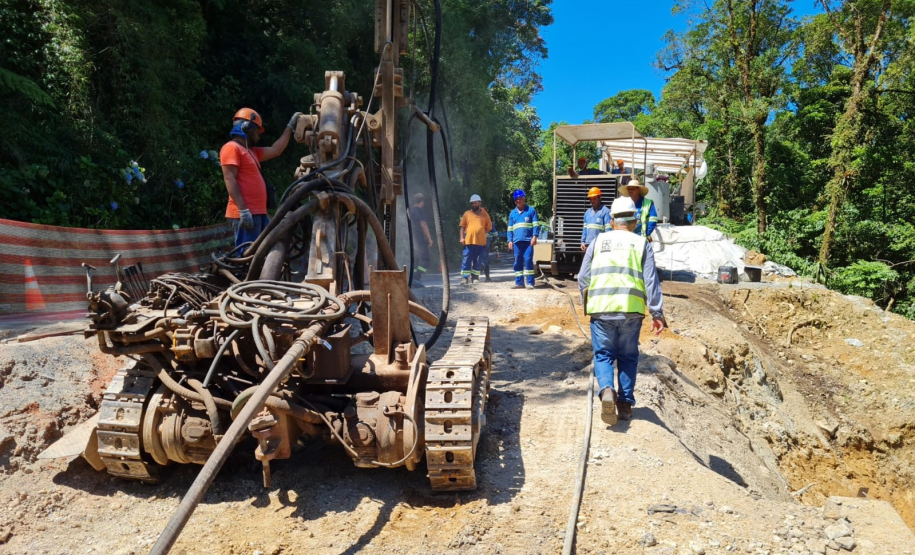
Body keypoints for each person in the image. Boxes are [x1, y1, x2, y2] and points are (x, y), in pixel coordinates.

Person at [579, 196, 664, 425]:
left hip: (601, 312)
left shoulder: (598, 241)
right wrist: (657, 313)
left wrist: (588, 301)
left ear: (612, 221)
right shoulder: (640, 244)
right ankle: (625, 406)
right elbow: (651, 281)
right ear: (634, 222)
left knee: (604, 355)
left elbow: (582, 277)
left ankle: (607, 389)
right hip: (631, 311)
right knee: (628, 356)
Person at [221, 108, 301, 247]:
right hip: (246, 214)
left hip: (258, 213)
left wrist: (290, 127)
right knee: (248, 258)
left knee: (266, 251)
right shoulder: (231, 148)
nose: (258, 135)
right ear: (247, 128)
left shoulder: (252, 152)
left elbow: (276, 150)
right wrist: (243, 210)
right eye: (257, 131)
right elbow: (229, 179)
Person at [507, 189, 539, 289]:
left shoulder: (531, 211)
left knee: (528, 260)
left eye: (520, 199)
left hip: (528, 241)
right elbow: (510, 229)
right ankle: (519, 283)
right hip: (516, 242)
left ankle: (530, 283)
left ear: (524, 199)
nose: (518, 201)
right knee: (517, 261)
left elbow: (536, 225)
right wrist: (509, 240)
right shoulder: (512, 213)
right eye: (516, 199)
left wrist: (535, 237)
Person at [459, 194, 492, 285]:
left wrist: (481, 232)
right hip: (468, 241)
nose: (474, 205)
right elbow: (462, 226)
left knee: (478, 261)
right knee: (466, 259)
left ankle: (475, 277)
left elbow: (489, 227)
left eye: (475, 203)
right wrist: (462, 238)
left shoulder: (485, 214)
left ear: (479, 203)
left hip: (480, 243)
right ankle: (465, 278)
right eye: (472, 203)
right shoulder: (467, 214)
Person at [409, 193, 434, 287]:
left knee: (415, 260)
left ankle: (413, 279)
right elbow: (423, 224)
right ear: (422, 202)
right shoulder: (420, 211)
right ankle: (416, 277)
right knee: (425, 260)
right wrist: (429, 239)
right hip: (419, 240)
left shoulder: (410, 211)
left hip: (412, 240)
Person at [580, 187, 611, 251]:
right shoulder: (587, 213)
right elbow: (585, 229)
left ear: (599, 198)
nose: (592, 201)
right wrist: (583, 242)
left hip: (600, 245)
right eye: (591, 199)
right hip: (588, 245)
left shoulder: (605, 212)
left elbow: (608, 230)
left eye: (594, 198)